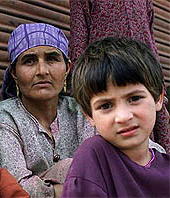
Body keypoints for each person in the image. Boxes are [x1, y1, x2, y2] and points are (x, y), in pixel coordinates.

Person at [0, 23, 165, 198]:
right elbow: (14, 187)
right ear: (14, 73)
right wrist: (84, 183)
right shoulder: (3, 117)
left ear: (67, 68)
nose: (42, 70)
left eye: (52, 58)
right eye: (29, 61)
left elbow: (145, 151)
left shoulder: (83, 109)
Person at [62, 37, 170, 197]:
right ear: (89, 115)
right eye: (105, 106)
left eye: (134, 98)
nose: (123, 117)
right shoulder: (94, 156)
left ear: (158, 98)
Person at [68, 0, 170, 153]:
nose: (123, 116)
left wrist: (156, 79)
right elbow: (79, 37)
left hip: (141, 71)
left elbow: (150, 36)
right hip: (102, 72)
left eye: (135, 98)